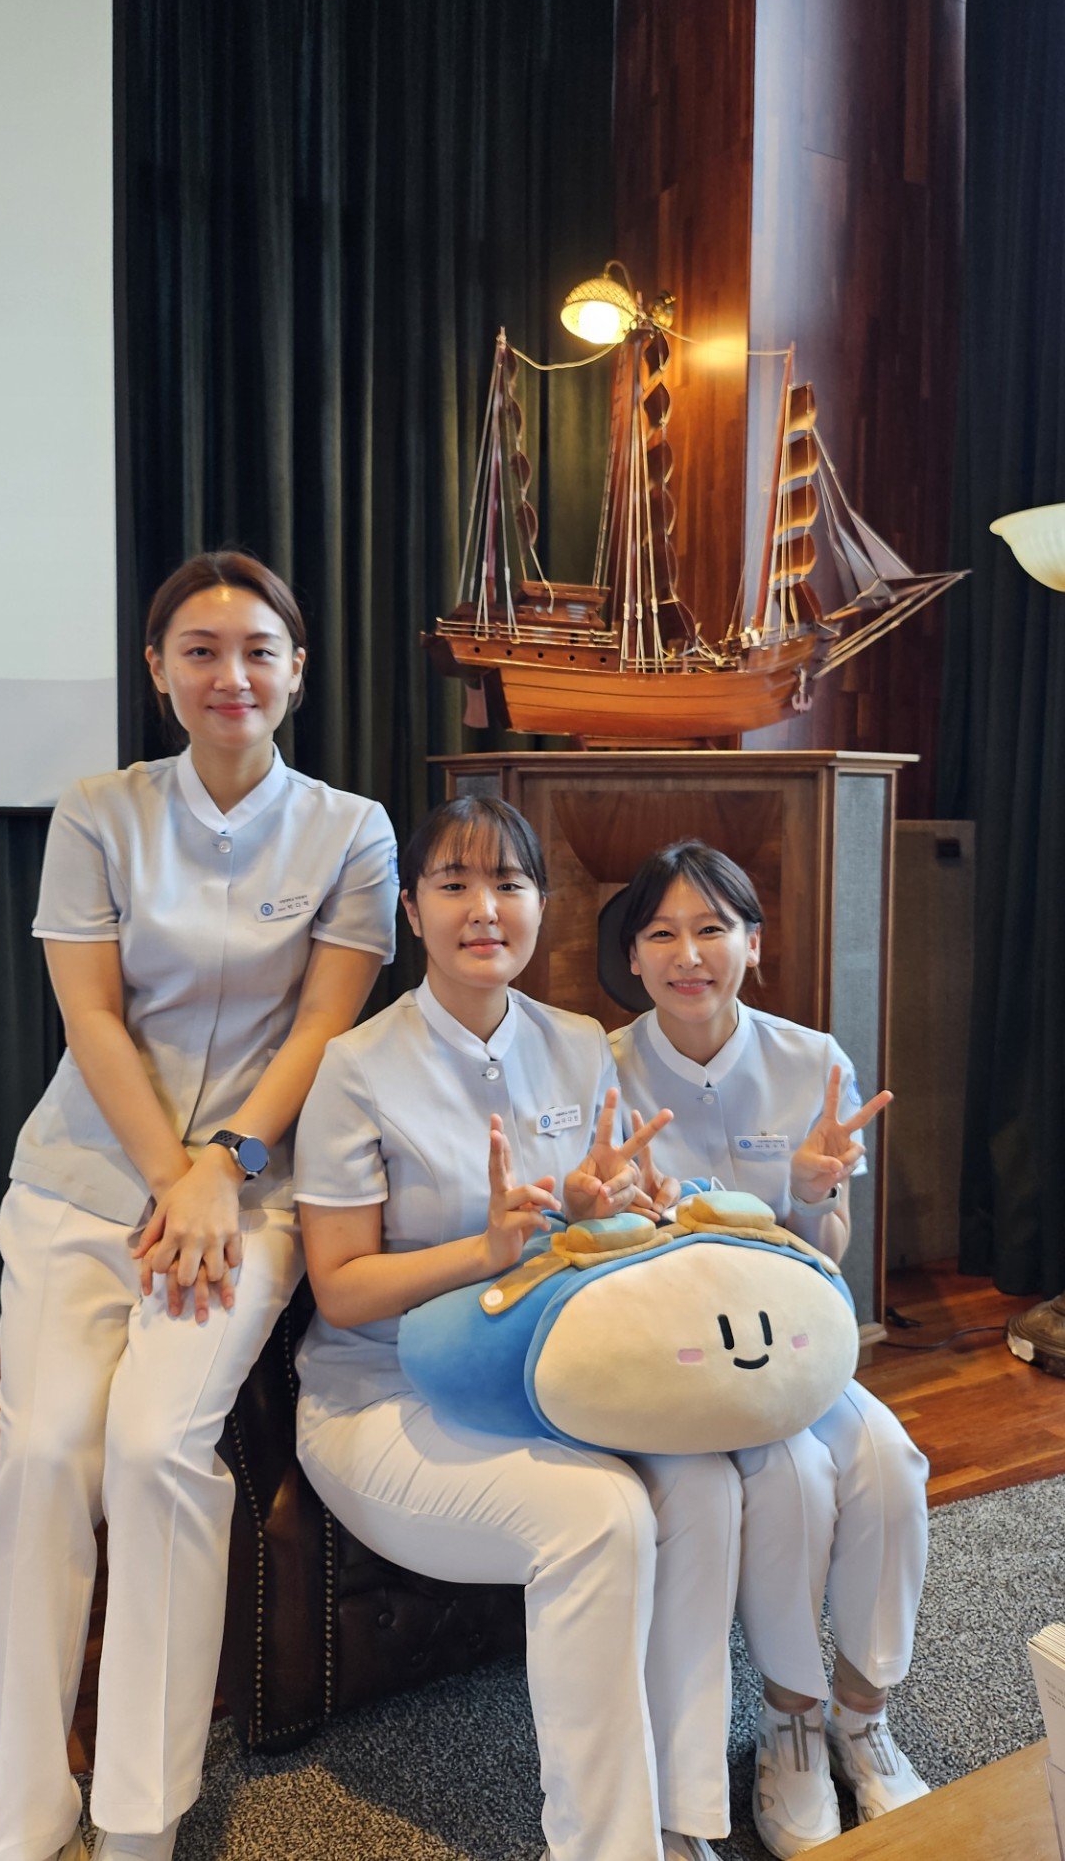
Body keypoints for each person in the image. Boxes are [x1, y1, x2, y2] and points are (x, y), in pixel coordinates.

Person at [0, 551, 398, 1861]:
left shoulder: (351, 830)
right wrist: (178, 1175)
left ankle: (137, 1817)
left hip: (252, 1198)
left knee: (157, 1447)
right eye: (202, 650)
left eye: (259, 649)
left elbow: (325, 1021)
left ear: (297, 671)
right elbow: (93, 1016)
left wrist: (227, 1167)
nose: (233, 674)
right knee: (43, 1459)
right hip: (83, 1185)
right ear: (159, 669)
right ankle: (18, 1810)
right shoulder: (98, 811)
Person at [294, 795, 740, 1861]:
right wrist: (486, 1250)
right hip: (386, 1395)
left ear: (544, 904)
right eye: (454, 884)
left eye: (510, 883)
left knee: (705, 1486)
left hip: (549, 1377)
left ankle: (685, 1815)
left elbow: (607, 1216)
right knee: (600, 1516)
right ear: (412, 911)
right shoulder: (356, 1067)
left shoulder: (578, 1042)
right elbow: (341, 1289)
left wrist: (612, 1207)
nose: (484, 909)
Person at [601, 839, 931, 1859]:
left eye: (712, 929)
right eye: (661, 933)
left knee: (891, 1461)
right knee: (792, 1478)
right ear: (633, 954)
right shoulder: (601, 1068)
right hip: (683, 1360)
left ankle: (863, 1716)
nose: (687, 955)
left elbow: (828, 1251)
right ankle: (790, 1724)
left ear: (753, 941)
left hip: (795, 1336)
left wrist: (815, 1190)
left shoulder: (812, 1061)